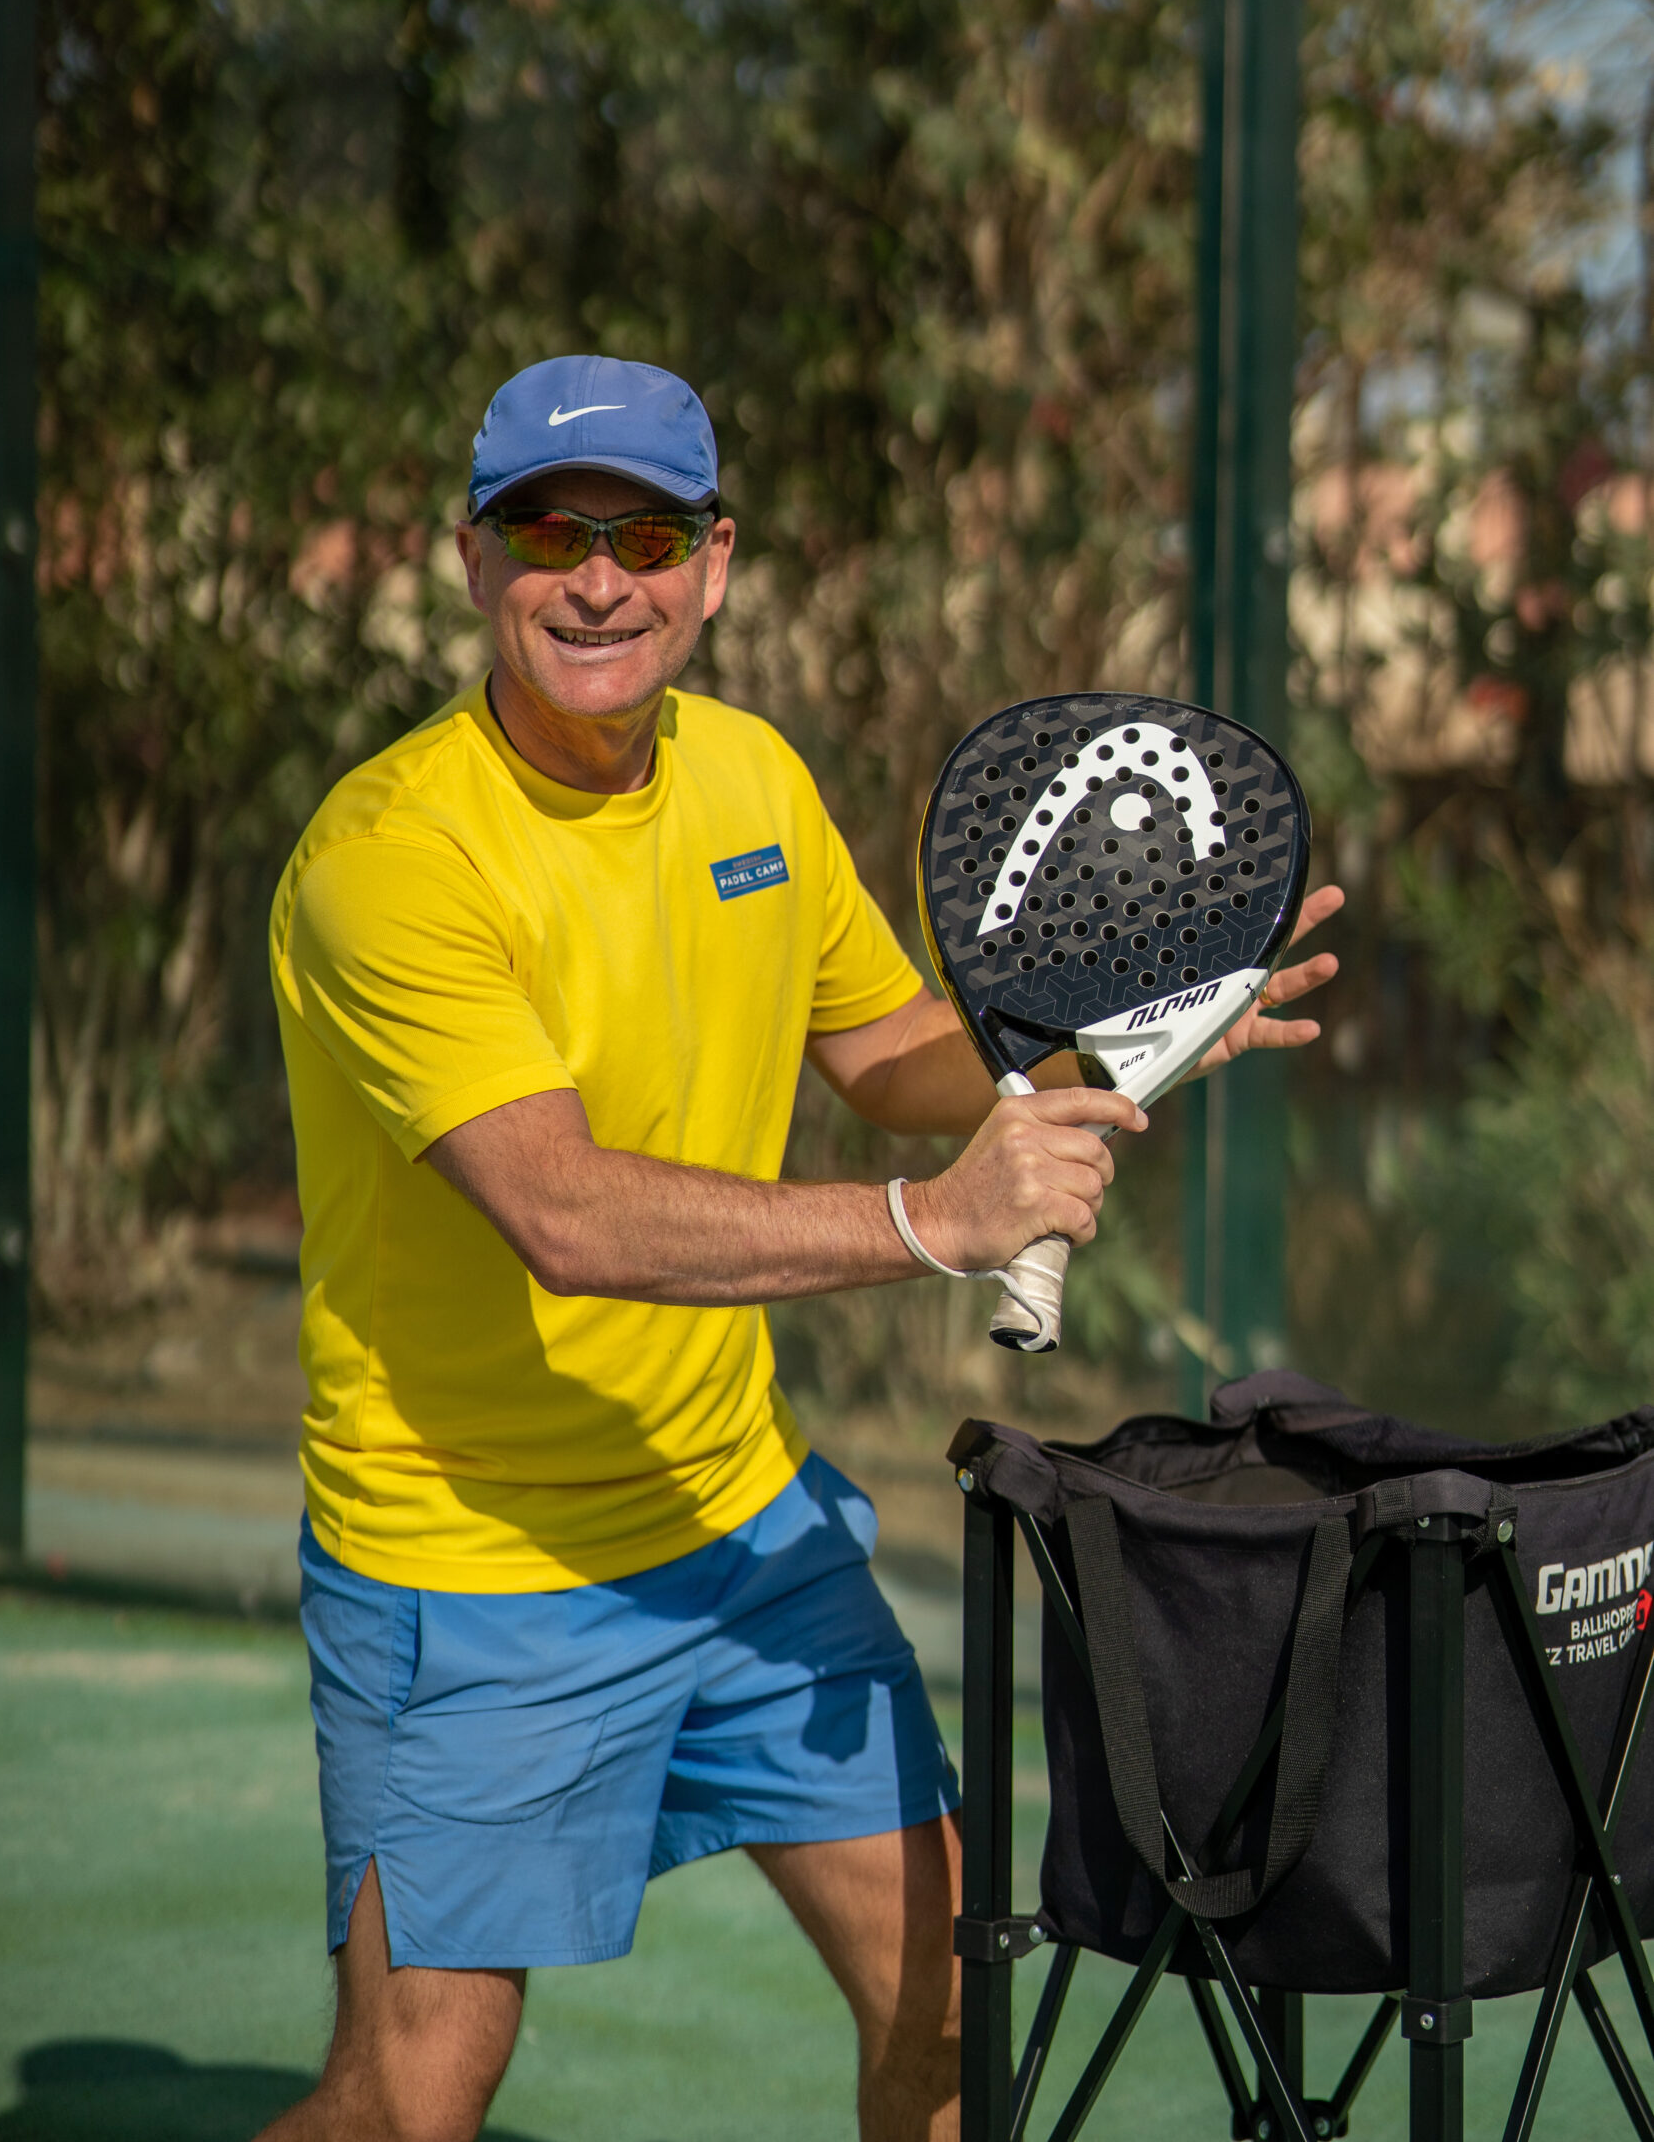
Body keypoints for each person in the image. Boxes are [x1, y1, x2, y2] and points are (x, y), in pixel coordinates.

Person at [258, 355, 1343, 2142]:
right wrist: (934, 1226)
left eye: (647, 532)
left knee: (949, 2011)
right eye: (549, 529)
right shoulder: (390, 861)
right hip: (470, 1569)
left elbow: (894, 1050)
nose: (598, 578)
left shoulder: (754, 782)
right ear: (472, 562)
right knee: (407, 2101)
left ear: (717, 562)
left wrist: (1126, 1036)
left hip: (744, 1535)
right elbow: (566, 1212)